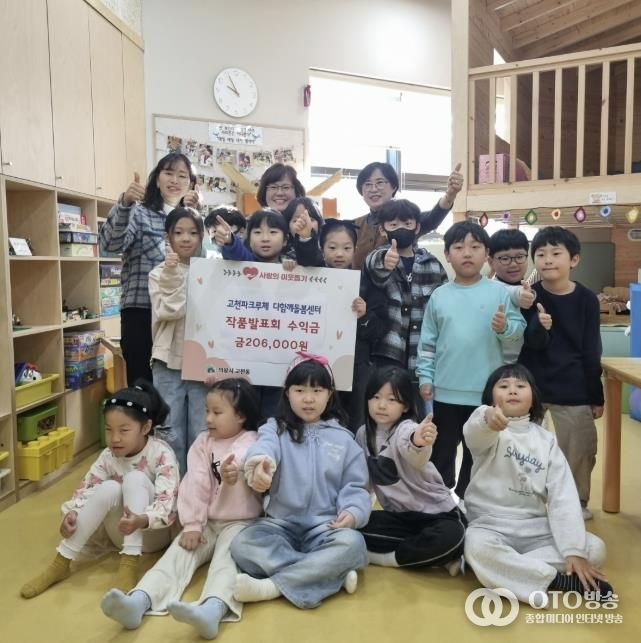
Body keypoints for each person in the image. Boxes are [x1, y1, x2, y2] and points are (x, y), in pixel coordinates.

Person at [101, 379, 263, 640]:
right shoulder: (202, 442)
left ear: (241, 415)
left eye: (217, 412)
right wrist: (193, 524)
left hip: (241, 523)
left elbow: (245, 456)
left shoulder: (252, 440)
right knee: (176, 555)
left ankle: (212, 609)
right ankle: (139, 600)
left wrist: (235, 469)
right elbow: (195, 483)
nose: (208, 418)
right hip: (206, 521)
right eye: (207, 411)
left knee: (226, 563)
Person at [463, 364, 614, 606]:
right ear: (491, 397)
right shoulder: (489, 431)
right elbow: (474, 432)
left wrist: (573, 551)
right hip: (489, 525)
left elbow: (562, 496)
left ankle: (508, 569)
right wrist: (486, 416)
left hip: (534, 527)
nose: (512, 390)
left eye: (520, 386)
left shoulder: (546, 440)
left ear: (533, 397)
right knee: (476, 547)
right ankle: (557, 580)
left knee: (595, 548)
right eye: (503, 386)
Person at [229, 354, 371, 609]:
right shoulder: (275, 429)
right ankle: (330, 574)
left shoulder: (344, 440)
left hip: (325, 528)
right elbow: (264, 449)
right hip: (280, 525)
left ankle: (271, 587)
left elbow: (356, 487)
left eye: (317, 390)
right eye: (300, 390)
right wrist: (260, 465)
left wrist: (352, 512)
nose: (308, 398)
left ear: (330, 395)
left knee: (354, 544)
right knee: (242, 544)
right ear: (287, 393)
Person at [20, 381, 179, 599]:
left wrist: (142, 519)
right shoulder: (107, 456)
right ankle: (61, 562)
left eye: (124, 430)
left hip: (153, 536)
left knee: (135, 478)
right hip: (119, 535)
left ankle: (129, 564)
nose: (114, 438)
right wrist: (72, 513)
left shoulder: (160, 453)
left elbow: (168, 505)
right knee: (109, 487)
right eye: (108, 429)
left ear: (145, 428)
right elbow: (86, 490)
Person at [416, 220, 525, 500]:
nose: (467, 253)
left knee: (478, 454)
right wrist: (425, 376)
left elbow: (518, 332)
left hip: (485, 394)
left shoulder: (499, 292)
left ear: (486, 254)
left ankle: (470, 503)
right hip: (445, 392)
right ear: (447, 254)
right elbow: (427, 343)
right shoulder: (439, 296)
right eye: (458, 247)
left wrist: (505, 327)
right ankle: (439, 503)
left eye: (475, 247)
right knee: (441, 453)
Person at [518, 226, 603, 521]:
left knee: (579, 450)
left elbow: (591, 349)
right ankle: (527, 502)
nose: (548, 260)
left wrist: (596, 395)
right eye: (541, 254)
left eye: (556, 253)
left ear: (574, 259)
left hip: (574, 387)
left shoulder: (587, 299)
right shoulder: (528, 297)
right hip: (534, 386)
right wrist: (537, 323)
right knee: (526, 449)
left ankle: (575, 502)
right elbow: (526, 343)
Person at [99, 153, 200, 383]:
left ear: (191, 184)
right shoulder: (139, 211)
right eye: (168, 173)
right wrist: (125, 203)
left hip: (180, 314)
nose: (175, 180)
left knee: (177, 385)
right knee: (143, 383)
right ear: (156, 179)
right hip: (142, 311)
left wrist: (195, 213)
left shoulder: (194, 219)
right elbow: (109, 246)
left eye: (182, 175)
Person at [356, 367, 466, 572]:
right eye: (376, 397)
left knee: (455, 536)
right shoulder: (363, 435)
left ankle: (384, 558)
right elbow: (363, 482)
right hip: (399, 517)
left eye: (392, 399)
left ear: (405, 405)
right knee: (353, 525)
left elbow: (415, 454)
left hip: (436, 514)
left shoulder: (406, 428)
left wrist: (418, 441)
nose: (382, 405)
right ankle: (438, 557)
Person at [149, 207, 206, 475]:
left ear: (202, 237)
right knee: (169, 432)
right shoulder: (158, 273)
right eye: (178, 232)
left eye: (193, 233)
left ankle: (199, 487)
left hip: (202, 361)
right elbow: (169, 310)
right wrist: (172, 273)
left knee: (202, 431)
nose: (186, 238)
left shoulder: (210, 272)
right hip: (168, 359)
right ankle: (172, 488)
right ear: (168, 237)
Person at [364, 199, 448, 377]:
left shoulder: (433, 264)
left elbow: (444, 307)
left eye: (407, 224)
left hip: (424, 358)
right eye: (393, 225)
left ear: (417, 228)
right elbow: (375, 266)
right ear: (382, 229)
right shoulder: (376, 257)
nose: (401, 228)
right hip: (386, 354)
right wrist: (385, 261)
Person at [352, 161, 464, 269]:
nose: (373, 189)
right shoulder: (352, 226)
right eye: (367, 184)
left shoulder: (408, 220)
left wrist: (450, 195)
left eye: (380, 183)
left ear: (394, 187)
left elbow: (433, 217)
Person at [488, 228, 537, 363]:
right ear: (491, 262)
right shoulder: (490, 290)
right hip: (500, 367)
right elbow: (509, 291)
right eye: (505, 258)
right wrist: (520, 294)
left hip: (529, 365)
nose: (514, 264)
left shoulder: (528, 287)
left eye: (520, 257)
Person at [215, 208, 289, 264]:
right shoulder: (247, 260)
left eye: (273, 232)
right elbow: (237, 252)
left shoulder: (290, 267)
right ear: (249, 239)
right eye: (258, 232)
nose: (265, 238)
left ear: (285, 240)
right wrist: (230, 241)